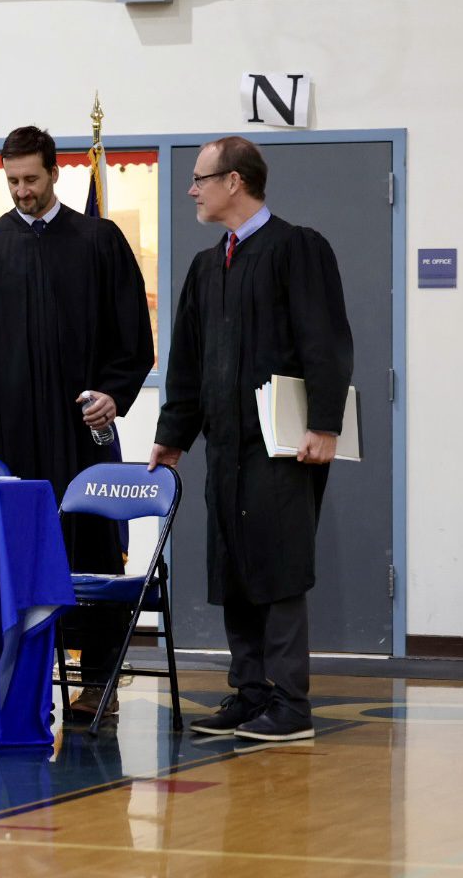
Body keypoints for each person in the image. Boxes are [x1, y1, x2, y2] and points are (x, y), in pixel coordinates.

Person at [0, 125, 154, 721]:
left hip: (83, 432)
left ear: (55, 172)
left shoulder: (98, 240)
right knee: (19, 550)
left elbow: (131, 335)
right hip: (13, 434)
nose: (21, 191)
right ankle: (23, 679)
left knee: (91, 546)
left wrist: (114, 394)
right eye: (11, 181)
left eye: (31, 179)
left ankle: (99, 684)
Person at [150, 136, 353, 743]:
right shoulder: (208, 265)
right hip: (227, 445)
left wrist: (324, 424)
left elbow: (326, 341)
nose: (192, 189)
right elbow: (187, 361)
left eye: (199, 178)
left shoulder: (297, 249)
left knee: (280, 564)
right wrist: (173, 435)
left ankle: (290, 704)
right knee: (235, 561)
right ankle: (252, 692)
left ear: (234, 181)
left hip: (285, 444)